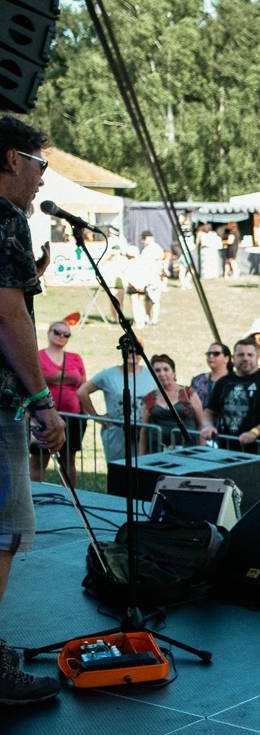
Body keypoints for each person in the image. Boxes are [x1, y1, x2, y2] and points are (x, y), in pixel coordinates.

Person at [0, 116, 67, 703]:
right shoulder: (5, 218)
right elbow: (8, 315)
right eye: (40, 163)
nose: (44, 177)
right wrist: (43, 399)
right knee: (5, 532)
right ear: (11, 159)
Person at [203, 339, 260, 451]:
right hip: (224, 447)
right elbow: (209, 411)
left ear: (257, 357)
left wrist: (255, 432)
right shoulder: (223, 382)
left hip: (256, 450)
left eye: (250, 355)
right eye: (241, 355)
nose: (245, 358)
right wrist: (208, 426)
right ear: (233, 358)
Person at [78, 342, 153, 462]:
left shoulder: (151, 374)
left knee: (143, 471)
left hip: (144, 431)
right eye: (129, 351)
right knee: (118, 471)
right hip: (118, 432)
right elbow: (82, 391)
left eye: (137, 351)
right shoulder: (109, 374)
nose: (133, 354)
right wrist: (96, 417)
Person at [32, 318, 84, 483]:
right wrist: (62, 377)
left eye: (66, 334)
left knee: (69, 461)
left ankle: (68, 499)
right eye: (57, 332)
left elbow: (81, 384)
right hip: (44, 415)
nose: (61, 335)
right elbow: (34, 381)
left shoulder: (75, 358)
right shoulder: (37, 356)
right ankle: (35, 497)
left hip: (73, 416)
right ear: (48, 333)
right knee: (39, 459)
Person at [139, 353, 205, 451]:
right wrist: (141, 458)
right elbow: (144, 430)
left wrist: (202, 452)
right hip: (158, 452)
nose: (162, 374)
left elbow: (201, 426)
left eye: (166, 369)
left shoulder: (189, 394)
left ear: (173, 372)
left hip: (188, 451)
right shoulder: (149, 398)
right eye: (157, 370)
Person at [190, 341, 230, 409]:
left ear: (226, 358)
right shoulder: (197, 380)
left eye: (216, 354)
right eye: (208, 354)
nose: (211, 356)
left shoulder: (234, 380)